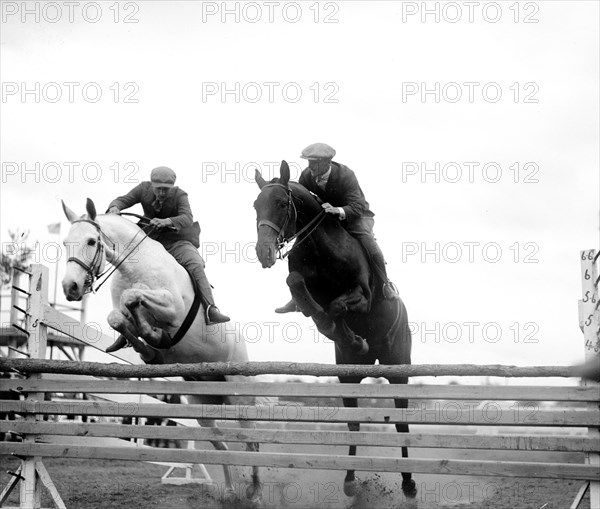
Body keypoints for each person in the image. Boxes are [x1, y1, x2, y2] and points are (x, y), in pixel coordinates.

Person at [275, 143, 399, 313]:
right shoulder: (307, 176)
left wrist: (337, 210)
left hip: (356, 216)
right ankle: (297, 298)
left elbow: (357, 206)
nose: (310, 167)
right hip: (327, 219)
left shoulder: (346, 175)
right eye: (308, 162)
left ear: (327, 162)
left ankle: (385, 284)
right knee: (298, 248)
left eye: (314, 163)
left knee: (368, 242)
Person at [106, 166, 230, 326]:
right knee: (126, 266)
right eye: (159, 189)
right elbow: (123, 200)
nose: (162, 193)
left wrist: (167, 221)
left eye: (166, 189)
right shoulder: (142, 189)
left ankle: (211, 309)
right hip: (150, 242)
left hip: (176, 243)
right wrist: (115, 207)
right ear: (152, 185)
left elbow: (187, 217)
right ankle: (126, 321)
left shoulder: (180, 195)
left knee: (196, 264)